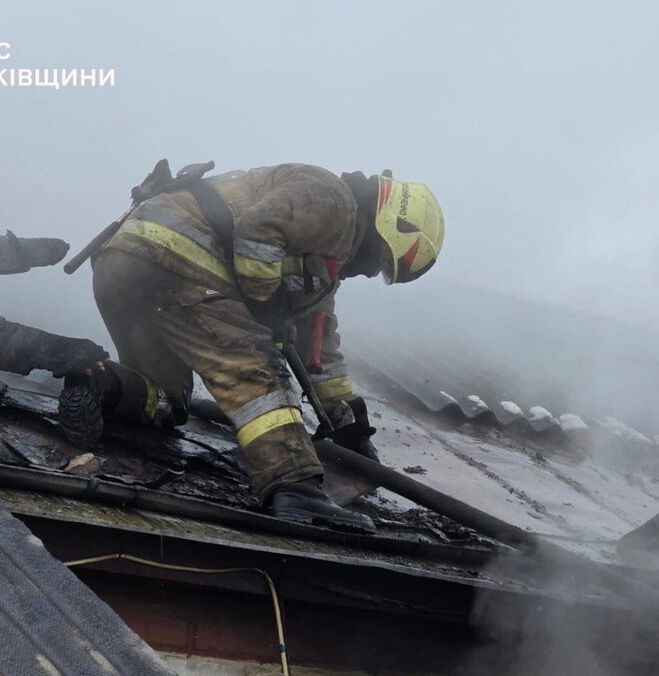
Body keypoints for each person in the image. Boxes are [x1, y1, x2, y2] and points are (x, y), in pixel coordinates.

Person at [59, 163, 444, 533]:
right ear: (391, 226)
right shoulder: (334, 199)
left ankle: (98, 383)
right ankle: (293, 485)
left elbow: (318, 343)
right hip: (178, 257)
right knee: (253, 368)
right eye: (383, 260)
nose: (372, 270)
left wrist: (348, 421)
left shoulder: (325, 252)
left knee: (162, 398)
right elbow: (259, 230)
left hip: (124, 261)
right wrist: (265, 302)